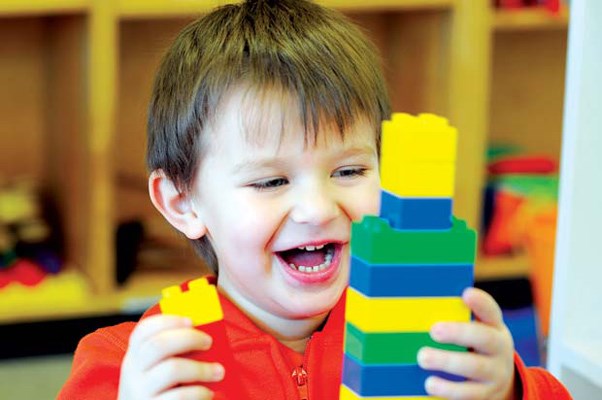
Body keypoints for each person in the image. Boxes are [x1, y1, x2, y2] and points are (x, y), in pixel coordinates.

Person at [59, 1, 571, 399]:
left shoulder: (431, 326)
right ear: (182, 203)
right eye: (271, 182)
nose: (318, 208)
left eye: (348, 171)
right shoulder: (128, 362)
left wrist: (506, 387)